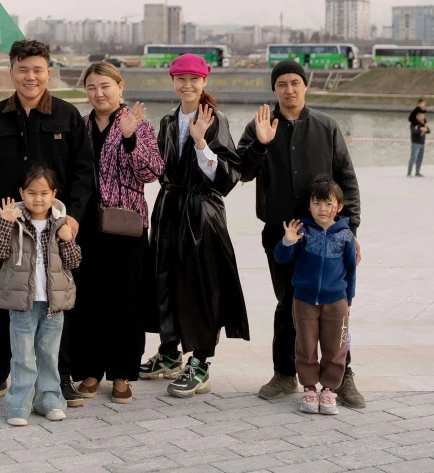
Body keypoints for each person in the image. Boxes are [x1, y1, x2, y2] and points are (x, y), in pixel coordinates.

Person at [0, 39, 95, 408]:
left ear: (48, 73)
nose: (30, 76)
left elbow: (85, 172)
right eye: (23, 69)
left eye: (38, 69)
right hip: (8, 230)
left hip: (56, 229)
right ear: (11, 72)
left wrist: (73, 218)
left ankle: (61, 379)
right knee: (4, 300)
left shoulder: (68, 115)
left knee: (57, 302)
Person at [236, 59, 364, 408]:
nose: (289, 89)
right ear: (274, 89)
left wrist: (350, 228)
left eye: (295, 82)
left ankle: (343, 376)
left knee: (335, 304)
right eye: (281, 84)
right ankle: (284, 373)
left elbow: (346, 178)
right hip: (281, 234)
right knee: (288, 303)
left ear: (305, 85)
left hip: (326, 232)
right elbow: (242, 172)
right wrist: (260, 144)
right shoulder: (259, 124)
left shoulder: (326, 126)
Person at [140, 53, 249, 398]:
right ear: (173, 81)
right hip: (169, 207)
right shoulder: (168, 121)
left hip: (202, 211)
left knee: (202, 285)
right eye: (181, 79)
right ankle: (169, 352)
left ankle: (200, 361)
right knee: (165, 280)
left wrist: (201, 142)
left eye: (194, 79)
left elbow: (228, 176)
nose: (187, 85)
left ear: (204, 81)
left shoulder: (215, 119)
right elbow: (157, 166)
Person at [72, 62, 163, 403]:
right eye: (91, 87)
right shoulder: (79, 126)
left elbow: (152, 172)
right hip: (85, 227)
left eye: (105, 86)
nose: (98, 93)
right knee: (88, 299)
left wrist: (129, 137)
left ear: (120, 86)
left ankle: (122, 373)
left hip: (126, 226)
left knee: (127, 300)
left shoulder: (140, 124)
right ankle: (91, 370)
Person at [0, 166, 82, 427]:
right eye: (31, 193)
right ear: (22, 193)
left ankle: (49, 399)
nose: (37, 198)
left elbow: (74, 262)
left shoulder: (60, 223)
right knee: (23, 357)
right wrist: (5, 223)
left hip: (53, 304)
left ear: (54, 194)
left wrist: (68, 239)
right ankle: (19, 404)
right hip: (22, 304)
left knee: (49, 355)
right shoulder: (13, 220)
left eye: (43, 193)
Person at [272, 175, 356, 416]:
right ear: (309, 205)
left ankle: (329, 390)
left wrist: (348, 301)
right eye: (317, 203)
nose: (323, 209)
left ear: (339, 206)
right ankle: (309, 389)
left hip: (336, 302)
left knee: (335, 347)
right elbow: (281, 258)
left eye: (329, 204)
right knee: (305, 346)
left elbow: (351, 270)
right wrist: (287, 241)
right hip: (304, 301)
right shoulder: (303, 231)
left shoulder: (345, 235)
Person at [408, 112, 430, 177]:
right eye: (421, 116)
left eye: (423, 117)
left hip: (422, 143)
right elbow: (414, 132)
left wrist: (424, 126)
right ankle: (409, 173)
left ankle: (417, 172)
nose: (423, 118)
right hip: (415, 143)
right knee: (413, 158)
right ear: (417, 117)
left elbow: (428, 131)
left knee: (420, 159)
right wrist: (421, 129)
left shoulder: (423, 123)